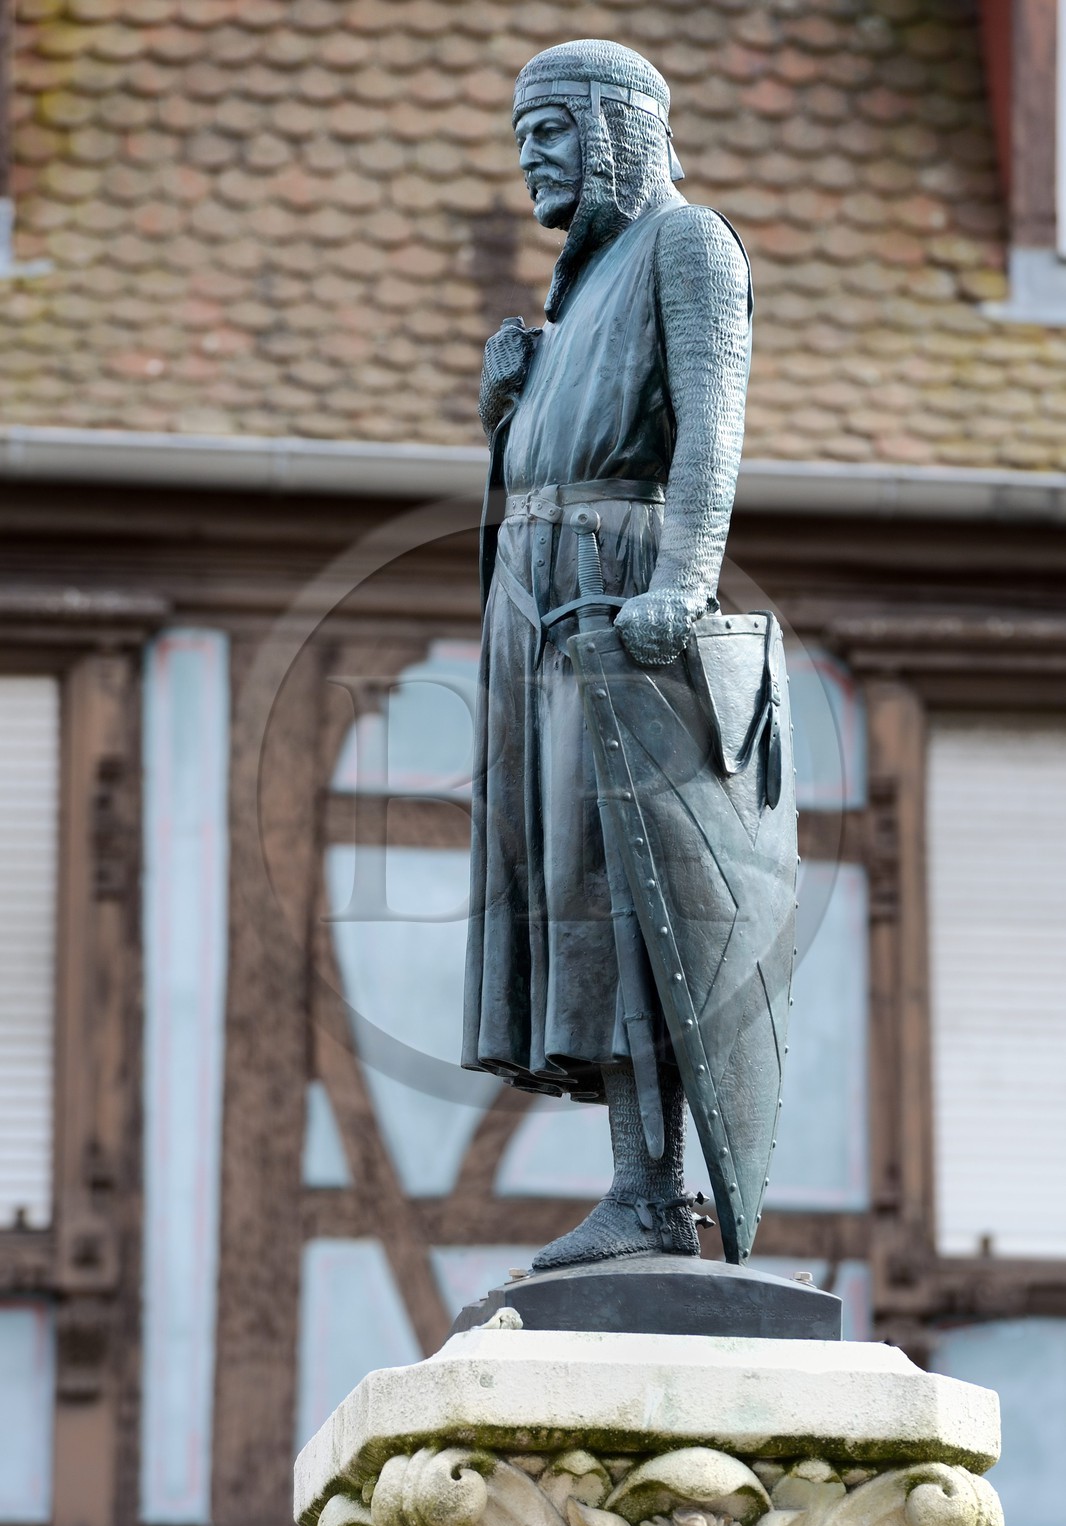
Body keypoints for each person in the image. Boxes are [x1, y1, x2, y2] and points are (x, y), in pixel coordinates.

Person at [461, 39, 771, 1272]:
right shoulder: (573, 296)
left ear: (618, 127)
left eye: (551, 128)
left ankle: (655, 1195)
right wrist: (511, 412)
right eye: (521, 132)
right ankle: (632, 1188)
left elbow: (710, 429)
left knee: (635, 898)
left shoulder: (689, 245)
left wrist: (683, 584)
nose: (531, 155)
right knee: (571, 900)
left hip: (612, 598)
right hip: (536, 605)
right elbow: (559, 451)